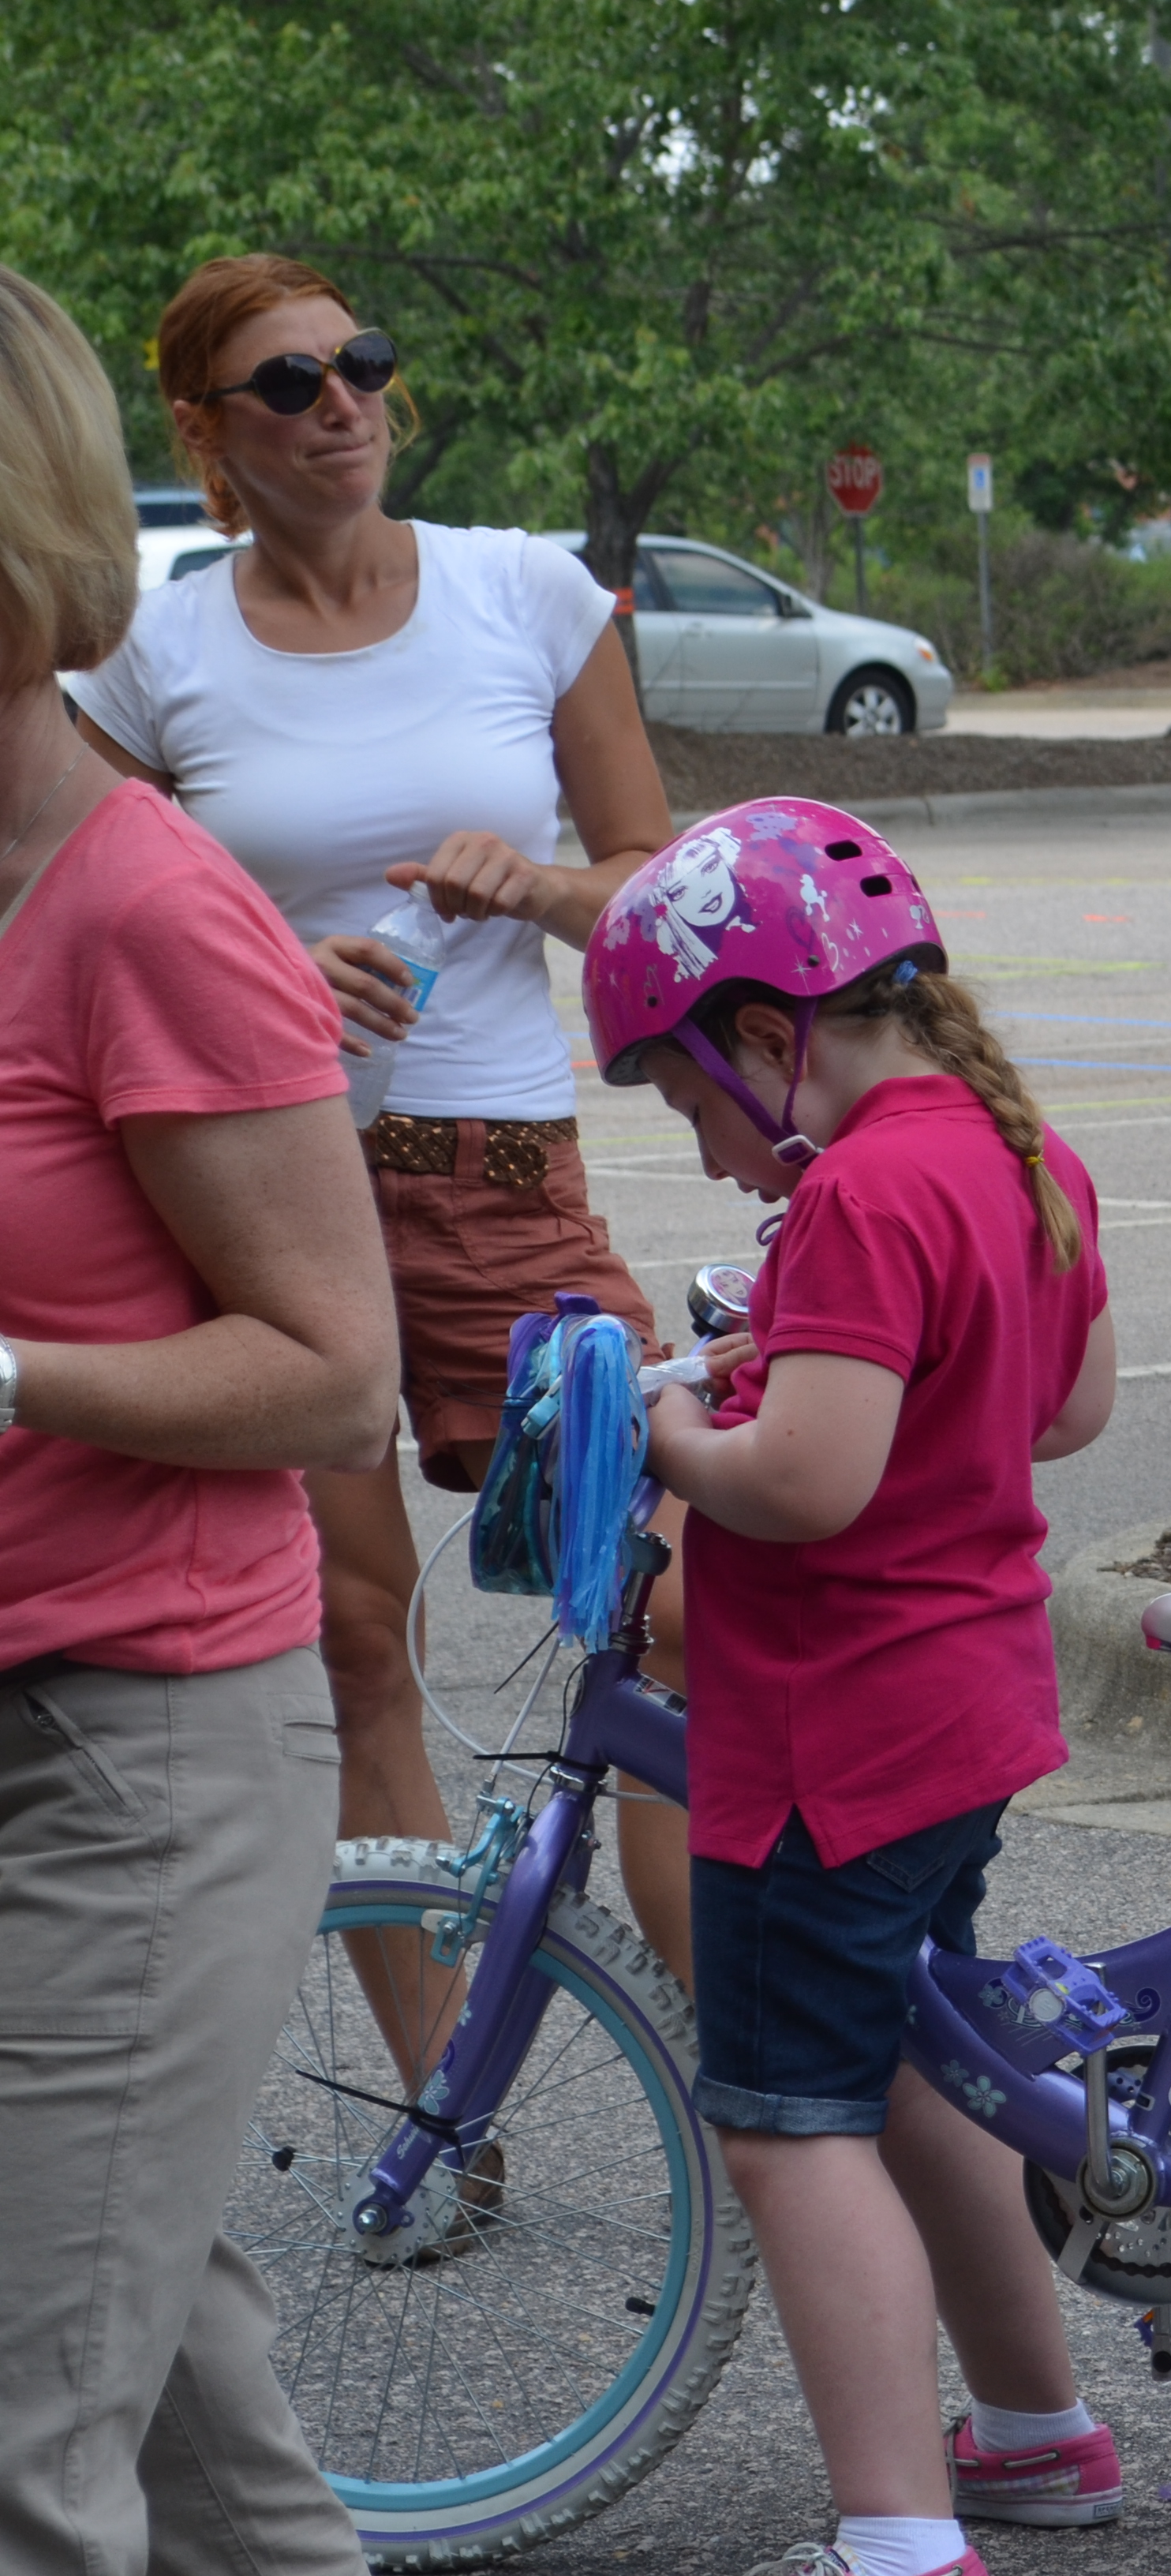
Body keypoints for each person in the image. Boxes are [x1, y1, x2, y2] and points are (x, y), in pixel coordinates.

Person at [71, 252, 698, 2007]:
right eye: (288, 383)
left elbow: (664, 890)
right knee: (356, 1635)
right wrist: (266, 959)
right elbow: (76, 913)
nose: (340, 402)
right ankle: (444, 2127)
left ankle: (750, 2069)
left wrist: (549, 883)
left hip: (498, 1175)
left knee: (672, 1603)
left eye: (360, 365)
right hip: (269, 1190)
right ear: (207, 430)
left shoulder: (523, 593)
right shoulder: (149, 651)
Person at [594, 800, 1125, 2576]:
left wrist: (673, 1420)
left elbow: (808, 1486)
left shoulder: (863, 1191)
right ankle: (1037, 2437)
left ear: (768, 1035)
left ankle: (897, 2540)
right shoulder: (1010, 1149)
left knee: (787, 2130)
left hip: (830, 1737)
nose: (704, 1152)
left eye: (687, 1101)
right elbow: (1060, 1406)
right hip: (961, 1712)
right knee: (922, 2068)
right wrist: (826, 1364)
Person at [0, 260, 398, 2576]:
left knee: (28, 2441)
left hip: (135, 1755)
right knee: (173, 2411)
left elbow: (334, 1372)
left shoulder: (148, 904)